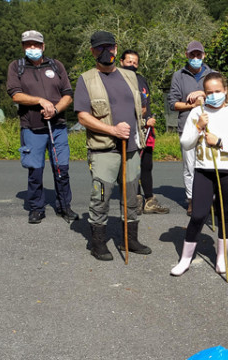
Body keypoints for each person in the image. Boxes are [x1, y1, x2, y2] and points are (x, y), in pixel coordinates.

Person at [73, 30, 152, 261]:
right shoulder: (86, 79)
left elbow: (142, 107)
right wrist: (112, 130)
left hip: (132, 148)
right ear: (92, 51)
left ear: (116, 49)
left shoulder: (130, 77)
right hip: (104, 148)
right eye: (99, 48)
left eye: (109, 47)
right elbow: (83, 117)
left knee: (130, 197)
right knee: (101, 197)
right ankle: (97, 243)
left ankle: (131, 239)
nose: (105, 52)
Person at [171, 73, 228, 276]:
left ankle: (221, 257)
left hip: (227, 171)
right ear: (203, 94)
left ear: (225, 91)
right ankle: (185, 259)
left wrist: (220, 142)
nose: (214, 95)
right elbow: (185, 143)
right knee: (198, 214)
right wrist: (198, 128)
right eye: (209, 92)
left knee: (224, 214)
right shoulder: (198, 112)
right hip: (203, 170)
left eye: (217, 91)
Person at [6, 30, 77, 224]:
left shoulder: (56, 65)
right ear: (23, 47)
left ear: (43, 46)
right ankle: (37, 208)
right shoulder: (17, 67)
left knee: (61, 169)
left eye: (36, 44)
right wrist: (40, 101)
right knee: (35, 171)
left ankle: (65, 206)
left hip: (58, 127)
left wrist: (54, 109)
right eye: (28, 44)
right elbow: (15, 94)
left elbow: (68, 94)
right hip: (32, 128)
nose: (32, 48)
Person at [168, 41, 213, 216]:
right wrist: (193, 105)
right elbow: (173, 104)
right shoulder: (178, 76)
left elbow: (221, 97)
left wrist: (202, 95)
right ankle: (192, 200)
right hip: (187, 126)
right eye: (192, 55)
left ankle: (209, 199)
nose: (196, 58)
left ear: (204, 55)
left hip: (210, 126)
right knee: (190, 166)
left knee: (209, 165)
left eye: (198, 55)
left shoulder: (212, 74)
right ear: (186, 55)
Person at [120, 50, 168, 214]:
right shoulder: (117, 80)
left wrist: (148, 119)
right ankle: (136, 199)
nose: (132, 65)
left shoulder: (141, 79)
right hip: (130, 128)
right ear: (121, 62)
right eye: (129, 62)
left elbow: (146, 103)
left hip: (147, 129)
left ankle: (149, 200)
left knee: (146, 165)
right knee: (132, 165)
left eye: (135, 62)